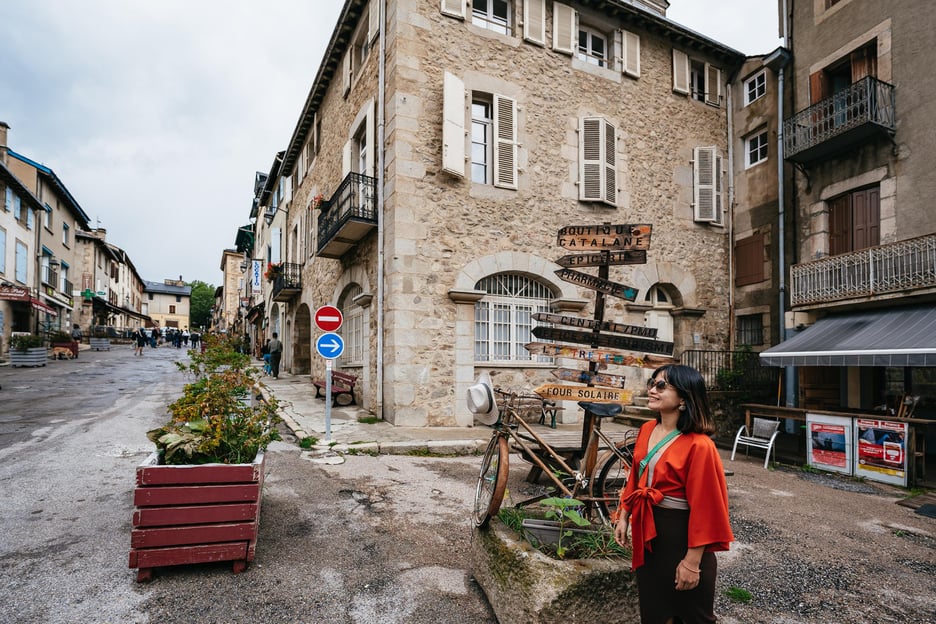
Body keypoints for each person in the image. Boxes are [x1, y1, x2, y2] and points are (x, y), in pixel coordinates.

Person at [614, 364, 733, 624]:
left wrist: (692, 562)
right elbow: (635, 476)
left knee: (692, 617)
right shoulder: (647, 429)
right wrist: (624, 515)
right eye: (652, 383)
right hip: (649, 535)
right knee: (655, 614)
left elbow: (707, 508)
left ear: (683, 398)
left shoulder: (700, 445)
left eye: (661, 386)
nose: (652, 390)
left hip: (681, 538)